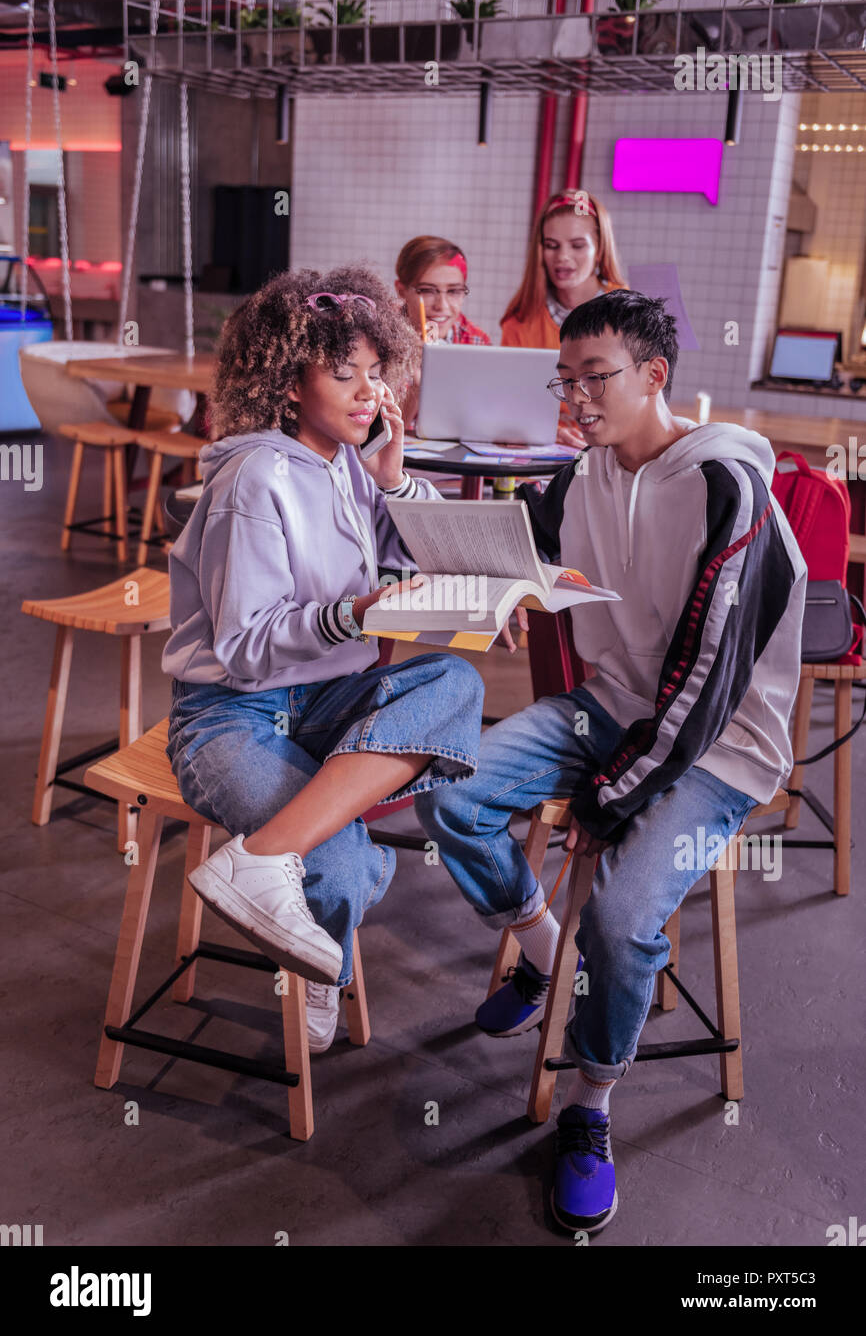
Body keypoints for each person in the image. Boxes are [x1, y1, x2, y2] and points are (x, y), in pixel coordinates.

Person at [416, 290, 807, 1235]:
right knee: (443, 789)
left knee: (625, 918)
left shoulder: (729, 491)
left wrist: (616, 790)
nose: (578, 398)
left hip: (720, 746)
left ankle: (590, 1109)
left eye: (597, 378)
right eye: (568, 379)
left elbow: (709, 678)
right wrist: (508, 581)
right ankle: (551, 958)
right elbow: (522, 538)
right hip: (609, 711)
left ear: (655, 375)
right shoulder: (582, 473)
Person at [162, 265, 484, 1054]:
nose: (369, 392)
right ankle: (316, 964)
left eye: (377, 374)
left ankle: (260, 865)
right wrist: (354, 614)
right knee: (343, 868)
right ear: (286, 380)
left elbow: (415, 553)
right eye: (344, 373)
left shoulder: (345, 465)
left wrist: (396, 484)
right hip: (231, 718)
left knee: (455, 681)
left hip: (325, 700)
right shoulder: (256, 477)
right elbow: (243, 647)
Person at [502, 189, 627, 451]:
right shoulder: (520, 321)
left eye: (577, 245)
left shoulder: (627, 313)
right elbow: (511, 404)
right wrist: (549, 429)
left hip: (612, 453)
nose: (563, 258)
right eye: (552, 245)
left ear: (600, 248)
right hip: (544, 452)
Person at [395, 235, 490, 348]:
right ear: (401, 291)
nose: (441, 306)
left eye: (453, 291)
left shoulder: (476, 342)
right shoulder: (378, 340)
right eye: (427, 291)